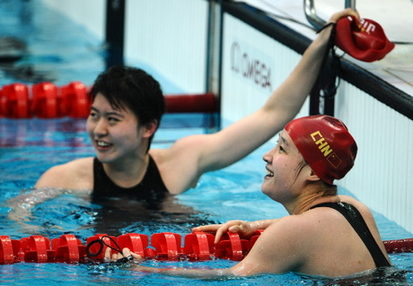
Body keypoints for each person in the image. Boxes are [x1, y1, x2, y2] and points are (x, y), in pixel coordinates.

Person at [8, 10, 359, 223]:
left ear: (149, 127)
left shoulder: (184, 160)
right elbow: (20, 216)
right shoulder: (66, 177)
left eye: (113, 120)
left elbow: (273, 115)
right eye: (94, 115)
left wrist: (324, 38)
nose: (98, 129)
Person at [105, 115, 391, 278]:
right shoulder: (354, 208)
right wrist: (254, 227)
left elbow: (227, 278)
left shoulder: (294, 232)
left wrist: (144, 267)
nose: (267, 156)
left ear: (313, 173)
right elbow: (313, 224)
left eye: (282, 149)